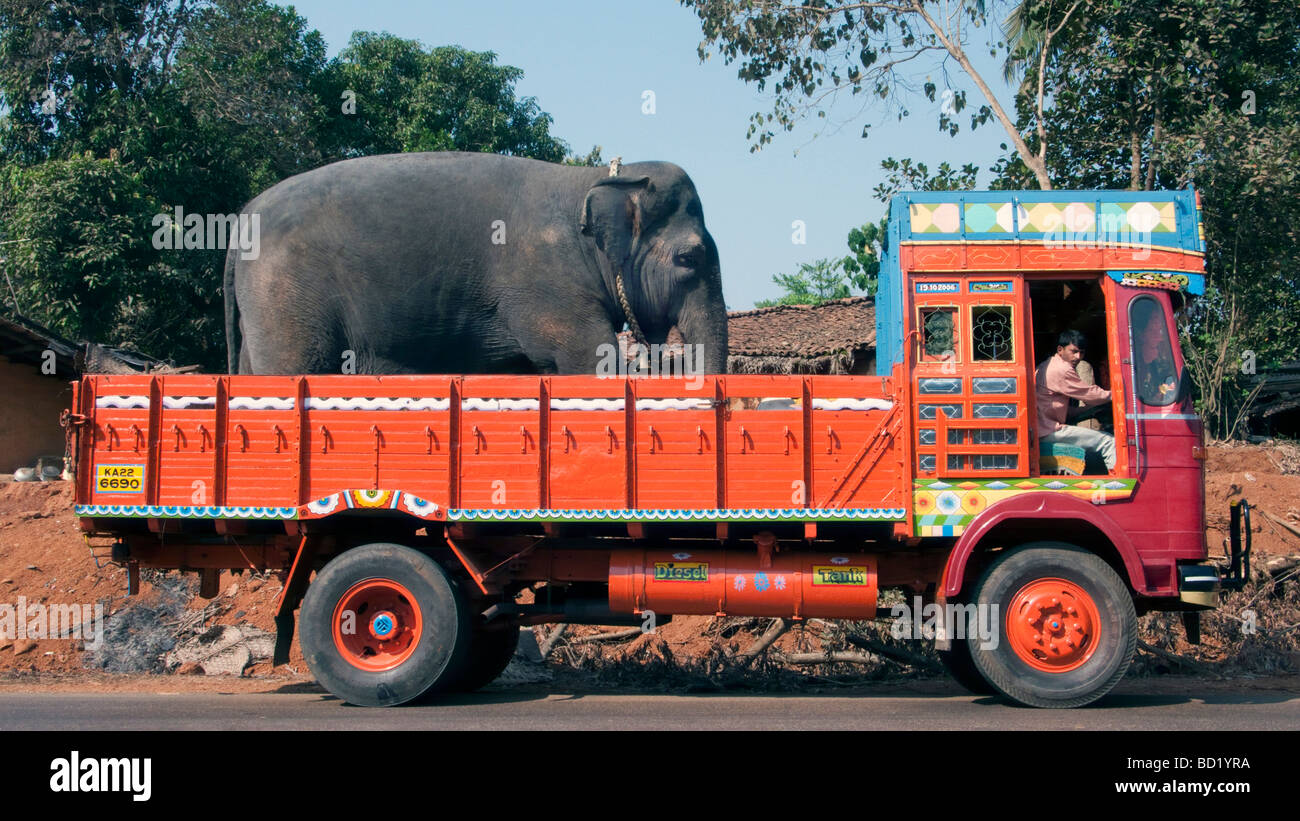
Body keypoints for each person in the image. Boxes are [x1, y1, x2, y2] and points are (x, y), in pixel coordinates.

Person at [1035, 330, 1116, 470]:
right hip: (1048, 430)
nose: (1078, 357)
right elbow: (1091, 395)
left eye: (1082, 353)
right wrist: (1117, 395)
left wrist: (1088, 410)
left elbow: (1057, 410)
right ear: (1060, 349)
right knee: (1109, 442)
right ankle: (1119, 486)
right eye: (1074, 351)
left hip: (1042, 427)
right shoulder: (1062, 369)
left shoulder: (1046, 365)